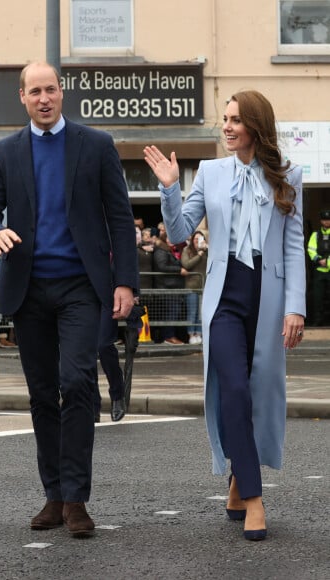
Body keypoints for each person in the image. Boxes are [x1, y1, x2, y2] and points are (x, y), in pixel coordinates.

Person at [0, 61, 138, 537]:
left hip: (82, 288)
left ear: (61, 93)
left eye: (51, 90)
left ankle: (77, 500)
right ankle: (53, 495)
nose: (43, 99)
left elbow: (120, 216)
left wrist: (125, 283)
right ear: (21, 97)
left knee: (78, 383)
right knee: (43, 394)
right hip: (29, 290)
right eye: (34, 92)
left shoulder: (96, 145)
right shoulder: (4, 152)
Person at [144, 89, 305, 542]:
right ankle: (254, 497)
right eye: (226, 119)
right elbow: (178, 233)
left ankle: (239, 478)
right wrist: (169, 187)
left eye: (236, 120)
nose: (227, 127)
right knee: (232, 387)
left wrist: (296, 307)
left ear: (256, 126)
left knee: (258, 392)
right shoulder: (212, 173)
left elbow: (294, 249)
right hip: (225, 296)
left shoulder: (288, 175)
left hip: (268, 297)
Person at [153, 231, 187, 344]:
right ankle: (168, 336)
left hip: (172, 288)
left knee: (173, 312)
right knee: (171, 313)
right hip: (167, 288)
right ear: (165, 239)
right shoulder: (161, 251)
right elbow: (162, 266)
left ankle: (170, 335)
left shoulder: (169, 250)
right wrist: (179, 270)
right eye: (169, 238)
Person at [180, 230, 208, 344]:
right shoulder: (187, 250)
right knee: (192, 312)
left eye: (200, 239)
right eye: (196, 239)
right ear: (192, 240)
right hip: (191, 286)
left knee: (202, 313)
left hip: (204, 286)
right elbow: (186, 264)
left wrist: (207, 249)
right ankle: (191, 334)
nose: (198, 241)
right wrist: (199, 255)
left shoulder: (207, 251)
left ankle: (199, 334)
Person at [306, 209, 330, 326]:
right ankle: (317, 321)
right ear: (321, 221)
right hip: (319, 271)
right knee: (318, 297)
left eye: (328, 220)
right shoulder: (316, 234)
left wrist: (328, 261)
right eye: (325, 220)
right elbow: (310, 249)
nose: (326, 222)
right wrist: (318, 259)